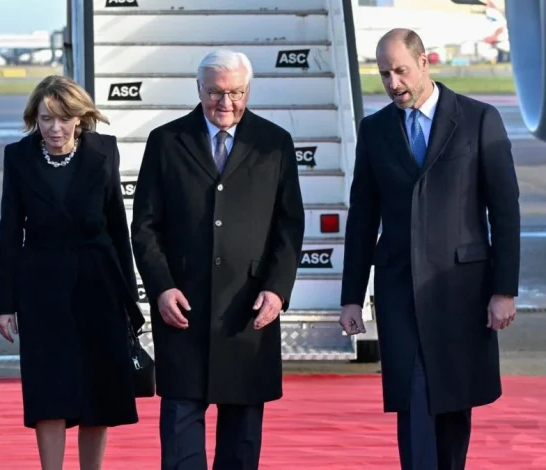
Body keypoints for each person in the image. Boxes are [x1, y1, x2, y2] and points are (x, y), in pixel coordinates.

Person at [339, 29, 519, 470]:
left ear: (425, 63)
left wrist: (504, 290)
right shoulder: (375, 130)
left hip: (461, 291)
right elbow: (363, 217)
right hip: (401, 290)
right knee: (414, 398)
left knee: (454, 407)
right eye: (384, 74)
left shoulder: (478, 119)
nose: (393, 83)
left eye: (400, 70)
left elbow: (505, 210)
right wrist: (350, 296)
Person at [130, 49, 305, 470]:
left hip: (247, 312)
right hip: (183, 310)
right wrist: (161, 287)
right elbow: (145, 226)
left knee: (242, 442)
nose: (225, 103)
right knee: (179, 435)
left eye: (236, 93)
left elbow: (289, 225)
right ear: (198, 89)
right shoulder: (167, 142)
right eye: (215, 93)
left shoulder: (274, 142)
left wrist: (277, 290)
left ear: (248, 90)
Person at [0, 74, 143, 470]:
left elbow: (117, 227)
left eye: (63, 118)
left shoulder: (103, 151)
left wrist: (131, 301)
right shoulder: (19, 156)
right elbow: (9, 231)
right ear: (34, 119)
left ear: (80, 118)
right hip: (41, 289)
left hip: (99, 285)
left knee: (99, 393)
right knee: (49, 391)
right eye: (45, 119)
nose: (54, 128)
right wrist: (4, 304)